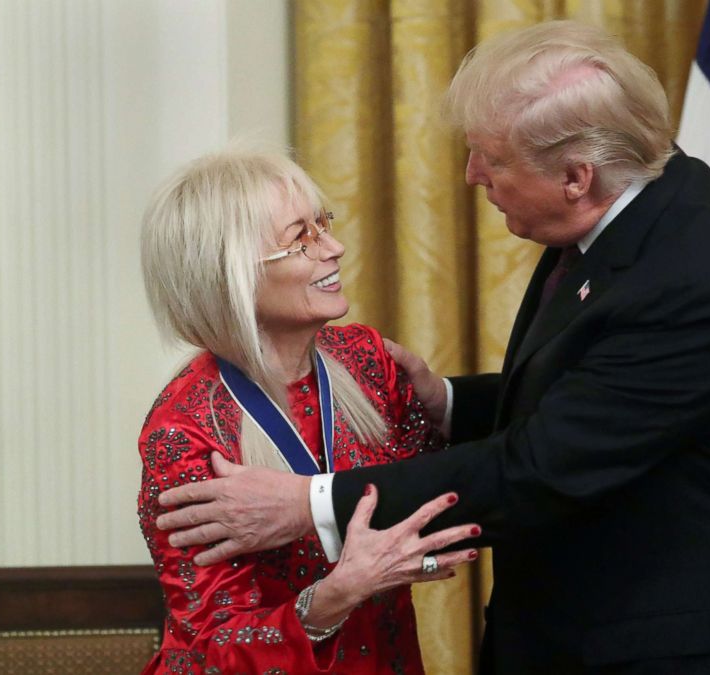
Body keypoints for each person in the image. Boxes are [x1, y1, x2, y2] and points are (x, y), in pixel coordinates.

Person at [156, 21, 710, 674]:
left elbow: (536, 468)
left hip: (691, 650)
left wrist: (307, 504)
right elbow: (592, 391)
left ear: (575, 177)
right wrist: (452, 401)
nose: (471, 175)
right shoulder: (632, 212)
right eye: (299, 236)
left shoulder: (691, 279)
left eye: (491, 158)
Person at [137, 148, 480, 674]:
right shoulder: (185, 428)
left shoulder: (367, 360)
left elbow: (440, 494)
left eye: (324, 225)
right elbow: (209, 652)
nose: (335, 248)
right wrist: (338, 593)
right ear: (230, 276)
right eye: (301, 238)